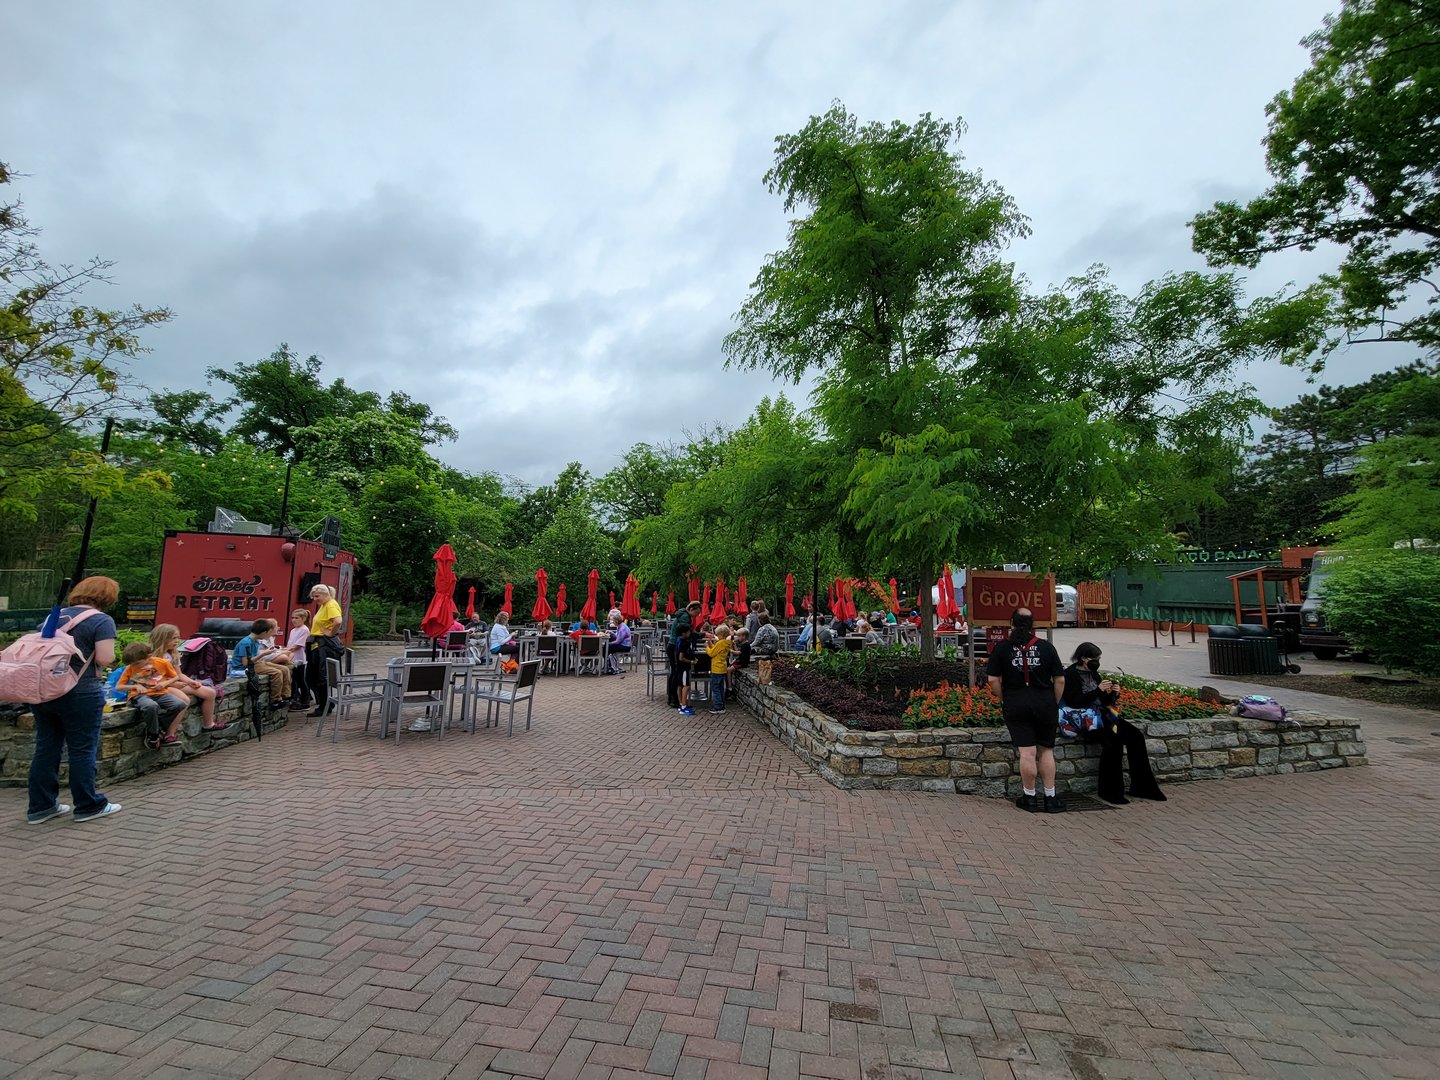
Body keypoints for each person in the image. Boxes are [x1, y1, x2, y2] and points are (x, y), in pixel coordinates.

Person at [26, 576, 123, 823]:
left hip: (44, 690)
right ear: (107, 597)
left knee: (46, 747)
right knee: (82, 749)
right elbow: (104, 658)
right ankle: (88, 805)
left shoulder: (53, 617)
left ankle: (41, 806)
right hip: (80, 691)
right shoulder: (101, 620)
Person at [1061, 643, 1166, 804]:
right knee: (1113, 741)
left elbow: (1101, 701)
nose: (1096, 662)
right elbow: (1074, 702)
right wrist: (1097, 691)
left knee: (1136, 736)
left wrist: (1113, 695)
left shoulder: (1095, 675)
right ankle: (1110, 791)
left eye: (1098, 659)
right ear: (1083, 658)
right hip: (1084, 719)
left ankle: (1142, 786)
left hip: (1101, 714)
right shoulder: (1070, 675)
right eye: (1094, 659)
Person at [985, 608, 1066, 814]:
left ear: (1011, 622)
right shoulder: (1047, 648)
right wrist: (1053, 701)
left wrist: (1004, 697)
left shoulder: (1002, 648)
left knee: (1027, 752)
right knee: (1046, 750)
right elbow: (1060, 679)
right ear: (1032, 624)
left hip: (1016, 702)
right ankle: (1050, 796)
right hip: (1045, 703)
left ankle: (1029, 797)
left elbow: (993, 680)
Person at [148, 623, 223, 730]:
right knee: (184, 700)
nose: (177, 641)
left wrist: (190, 682)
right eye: (173, 638)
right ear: (162, 639)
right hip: (162, 686)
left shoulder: (172, 655)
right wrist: (174, 683)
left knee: (210, 693)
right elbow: (154, 678)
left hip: (174, 683)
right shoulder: (154, 657)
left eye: (177, 638)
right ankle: (170, 733)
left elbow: (179, 674)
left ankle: (208, 724)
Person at [117, 641, 190, 748]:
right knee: (151, 706)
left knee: (180, 704)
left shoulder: (162, 663)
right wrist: (135, 686)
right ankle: (153, 735)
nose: (134, 666)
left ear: (148, 657)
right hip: (139, 696)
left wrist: (165, 683)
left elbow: (176, 677)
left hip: (160, 693)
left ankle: (156, 726)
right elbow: (119, 687)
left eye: (137, 663)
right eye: (132, 664)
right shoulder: (131, 668)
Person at [230, 619, 291, 706]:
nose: (270, 635)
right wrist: (263, 654)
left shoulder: (255, 641)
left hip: (257, 663)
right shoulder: (245, 643)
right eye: (269, 632)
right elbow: (245, 663)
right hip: (246, 667)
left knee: (285, 669)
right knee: (277, 673)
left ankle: (286, 696)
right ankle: (275, 700)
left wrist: (266, 652)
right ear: (264, 632)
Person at [306, 584, 344, 717]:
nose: (315, 599)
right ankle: (326, 702)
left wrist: (330, 633)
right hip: (319, 643)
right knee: (315, 674)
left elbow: (338, 621)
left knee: (322, 675)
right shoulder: (325, 605)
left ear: (325, 594)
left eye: (317, 596)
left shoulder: (330, 605)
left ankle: (324, 706)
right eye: (314, 597)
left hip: (325, 645)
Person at [667, 600, 701, 708]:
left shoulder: (682, 614)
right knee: (677, 674)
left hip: (672, 645)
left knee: (674, 673)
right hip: (675, 646)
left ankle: (672, 697)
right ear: (691, 609)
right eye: (696, 613)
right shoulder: (685, 617)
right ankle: (675, 700)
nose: (697, 615)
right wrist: (703, 634)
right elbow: (688, 632)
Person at [282, 608, 312, 709]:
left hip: (299, 659)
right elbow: (291, 644)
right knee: (293, 680)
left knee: (300, 680)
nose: (293, 620)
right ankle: (293, 698)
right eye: (292, 618)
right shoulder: (293, 630)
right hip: (292, 658)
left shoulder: (304, 629)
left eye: (296, 618)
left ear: (303, 618)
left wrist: (285, 651)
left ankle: (305, 700)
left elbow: (298, 645)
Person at [705, 625, 735, 714]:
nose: (716, 635)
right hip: (722, 667)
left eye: (717, 634)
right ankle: (722, 705)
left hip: (716, 668)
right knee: (721, 687)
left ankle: (718, 707)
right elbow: (716, 650)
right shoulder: (726, 643)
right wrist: (711, 644)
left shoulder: (720, 643)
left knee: (716, 688)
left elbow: (711, 653)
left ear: (721, 634)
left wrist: (707, 647)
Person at [674, 620, 700, 715]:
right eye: (689, 632)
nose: (690, 633)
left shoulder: (678, 640)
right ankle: (684, 706)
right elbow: (681, 657)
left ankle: (681, 704)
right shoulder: (684, 642)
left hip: (679, 667)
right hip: (684, 667)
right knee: (686, 686)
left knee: (680, 685)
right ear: (684, 633)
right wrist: (691, 661)